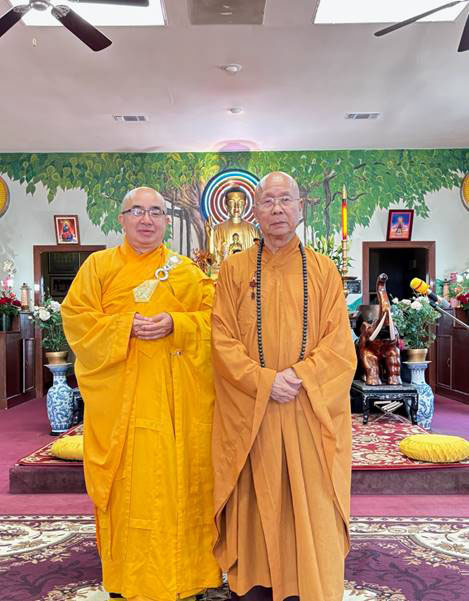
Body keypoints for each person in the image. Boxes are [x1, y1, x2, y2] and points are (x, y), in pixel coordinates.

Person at [61, 187, 220, 601]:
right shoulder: (99, 267)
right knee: (130, 492)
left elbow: (216, 321)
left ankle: (185, 578)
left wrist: (176, 324)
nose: (146, 220)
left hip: (177, 406)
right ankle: (129, 580)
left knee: (177, 488)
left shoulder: (185, 272)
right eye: (137, 211)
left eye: (155, 212)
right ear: (122, 219)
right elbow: (76, 320)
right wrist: (122, 327)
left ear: (166, 221)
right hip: (123, 407)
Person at [211, 172, 357, 601]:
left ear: (300, 208)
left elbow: (339, 344)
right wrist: (263, 381)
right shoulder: (234, 270)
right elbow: (221, 340)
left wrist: (299, 377)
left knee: (310, 505)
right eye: (268, 201)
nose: (277, 209)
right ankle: (255, 589)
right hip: (253, 415)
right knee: (256, 506)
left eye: (285, 200)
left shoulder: (323, 270)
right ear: (254, 211)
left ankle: (306, 588)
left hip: (307, 411)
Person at [212, 187, 258, 264]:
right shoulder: (218, 229)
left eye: (240, 202)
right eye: (232, 203)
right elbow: (213, 258)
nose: (236, 206)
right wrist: (209, 238)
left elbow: (258, 257)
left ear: (245, 205)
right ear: (226, 205)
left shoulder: (253, 229)